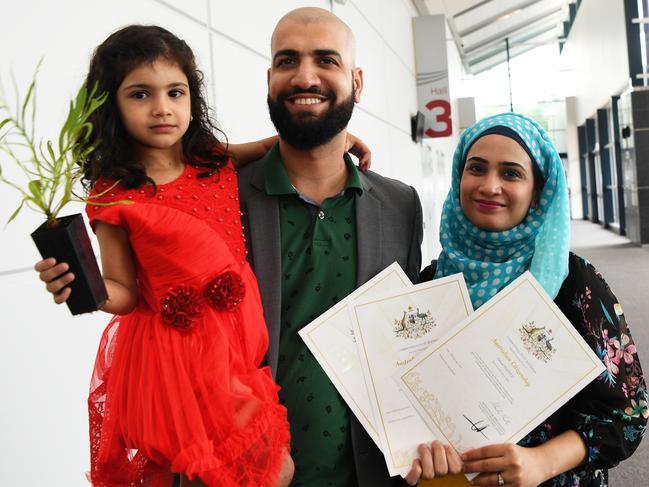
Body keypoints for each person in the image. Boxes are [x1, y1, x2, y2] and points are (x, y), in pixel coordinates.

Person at [34, 25, 296, 487]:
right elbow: (125, 292)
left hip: (239, 342)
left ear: (192, 98)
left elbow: (277, 146)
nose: (162, 108)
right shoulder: (114, 195)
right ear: (111, 105)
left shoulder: (214, 159)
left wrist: (341, 144)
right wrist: (83, 288)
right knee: (251, 472)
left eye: (175, 92)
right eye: (140, 94)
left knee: (267, 466)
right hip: (179, 354)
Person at [237, 7, 440, 487]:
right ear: (270, 79)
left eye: (325, 60)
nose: (305, 75)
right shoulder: (224, 200)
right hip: (250, 471)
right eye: (288, 62)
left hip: (369, 473)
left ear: (357, 81)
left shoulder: (400, 205)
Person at [420, 112, 647, 486]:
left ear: (537, 192)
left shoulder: (573, 282)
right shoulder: (430, 284)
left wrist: (541, 462)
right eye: (476, 168)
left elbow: (629, 413)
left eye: (511, 173)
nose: (489, 186)